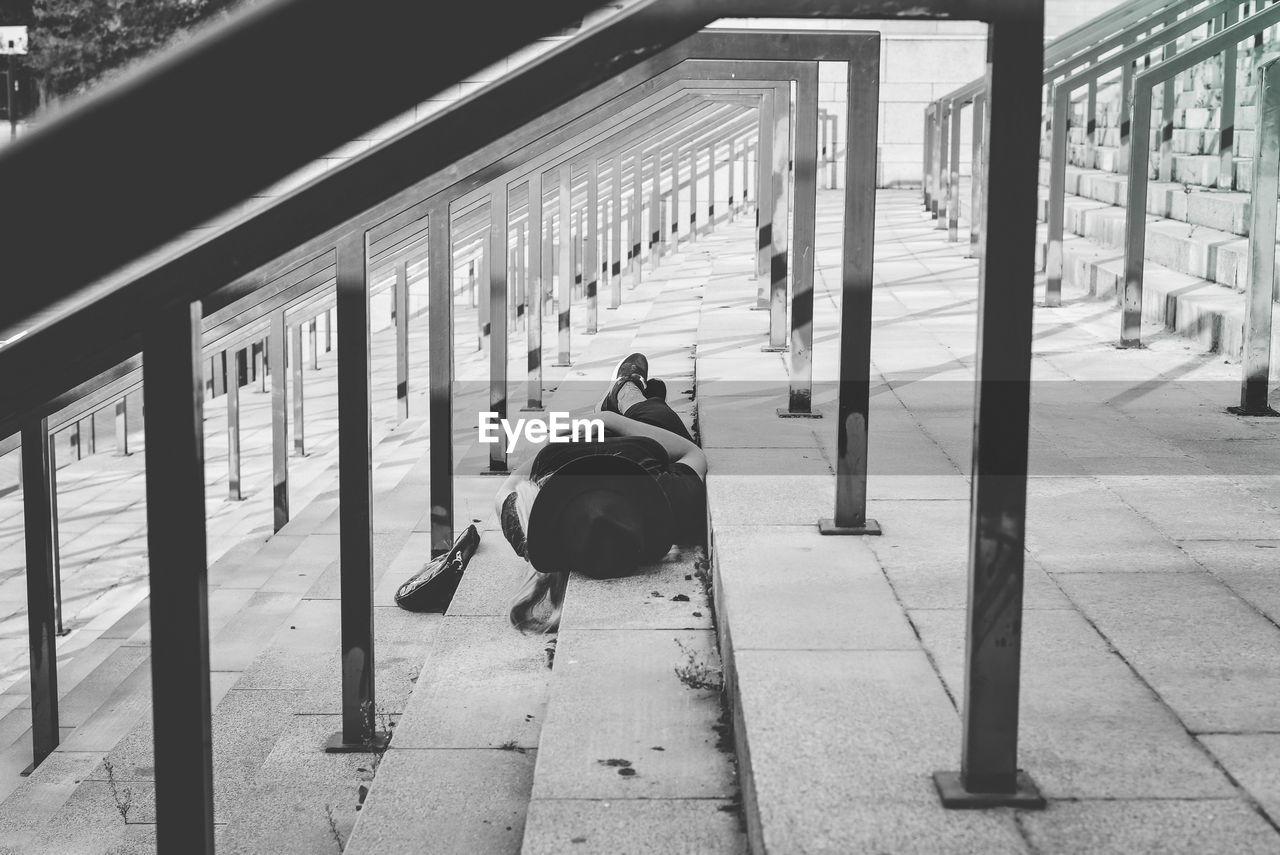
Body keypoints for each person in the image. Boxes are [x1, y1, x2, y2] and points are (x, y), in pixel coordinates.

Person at [494, 353, 707, 633]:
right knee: (655, 415)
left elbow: (506, 490)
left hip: (566, 455)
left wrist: (554, 444)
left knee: (656, 417)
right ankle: (626, 387)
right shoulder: (670, 497)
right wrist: (608, 419)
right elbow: (692, 452)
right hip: (635, 450)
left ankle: (628, 394)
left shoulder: (531, 528)